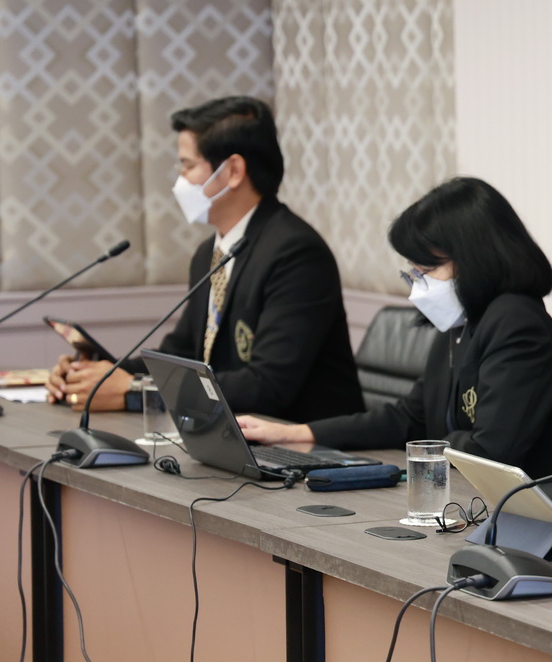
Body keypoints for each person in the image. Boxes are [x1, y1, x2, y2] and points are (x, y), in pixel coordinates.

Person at [237, 176, 552, 498]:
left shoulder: (517, 322)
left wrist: (435, 440)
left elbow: (491, 452)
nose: (418, 285)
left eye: (426, 270)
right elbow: (410, 416)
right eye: (413, 272)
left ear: (475, 258)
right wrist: (295, 432)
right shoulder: (463, 322)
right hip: (483, 502)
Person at [45, 96, 364, 423]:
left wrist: (135, 390)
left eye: (188, 166)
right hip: (233, 435)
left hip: (308, 443)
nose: (180, 180)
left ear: (234, 171)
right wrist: (96, 375)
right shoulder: (209, 254)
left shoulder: (296, 254)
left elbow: (267, 386)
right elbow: (178, 356)